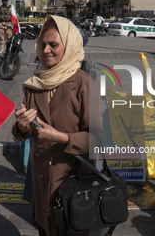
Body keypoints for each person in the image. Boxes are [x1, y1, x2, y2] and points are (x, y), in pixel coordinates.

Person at [12, 15, 104, 235]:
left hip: (75, 184)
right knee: (45, 227)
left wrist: (61, 137)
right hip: (42, 182)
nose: (46, 51)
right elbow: (22, 133)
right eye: (43, 44)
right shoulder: (34, 84)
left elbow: (98, 139)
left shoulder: (83, 83)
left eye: (53, 45)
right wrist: (23, 126)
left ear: (69, 46)